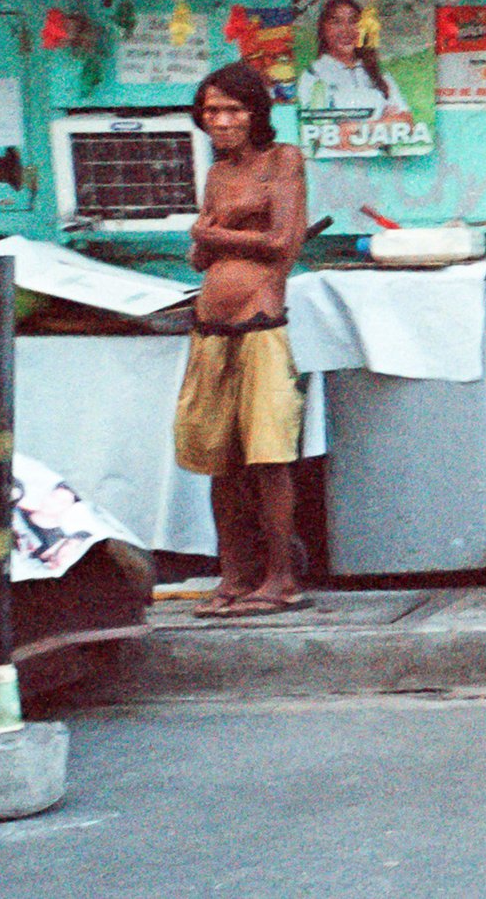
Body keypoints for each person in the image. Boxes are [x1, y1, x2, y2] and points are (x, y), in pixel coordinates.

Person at [174, 61, 312, 618]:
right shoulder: (217, 173)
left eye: (233, 109)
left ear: (257, 112)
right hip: (211, 326)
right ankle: (233, 577)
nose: (222, 121)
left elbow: (282, 241)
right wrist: (212, 240)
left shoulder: (284, 161)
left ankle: (281, 579)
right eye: (211, 111)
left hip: (259, 324)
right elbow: (198, 256)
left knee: (268, 457)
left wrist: (211, 233)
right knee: (219, 460)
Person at [303, 0, 411, 120]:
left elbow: (407, 121)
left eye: (353, 21)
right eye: (336, 22)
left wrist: (356, 127)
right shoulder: (314, 75)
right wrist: (384, 121)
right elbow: (325, 133)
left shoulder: (378, 75)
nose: (346, 30)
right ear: (323, 29)